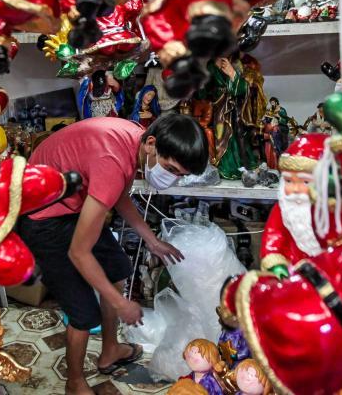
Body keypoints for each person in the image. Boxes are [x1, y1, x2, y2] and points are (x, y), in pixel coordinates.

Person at [18, 114, 209, 395]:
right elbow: (79, 252)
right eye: (171, 168)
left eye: (180, 174)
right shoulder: (113, 160)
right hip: (42, 215)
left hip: (69, 202)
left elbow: (116, 193)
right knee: (83, 312)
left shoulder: (136, 137)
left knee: (117, 267)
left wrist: (151, 240)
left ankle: (109, 350)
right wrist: (119, 303)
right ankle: (74, 383)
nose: (172, 177)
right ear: (152, 144)